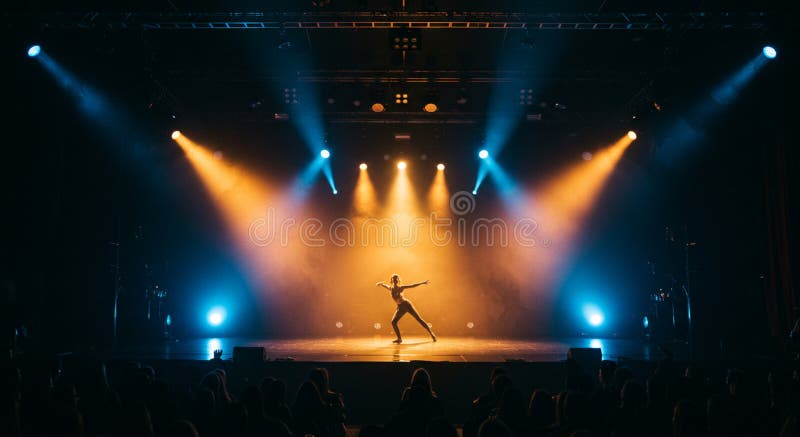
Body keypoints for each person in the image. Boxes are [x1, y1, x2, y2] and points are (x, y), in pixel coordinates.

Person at [376, 274, 436, 343]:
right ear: (392, 281)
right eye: (394, 279)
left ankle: (431, 334)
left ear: (398, 281)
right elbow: (386, 286)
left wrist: (422, 283)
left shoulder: (401, 287)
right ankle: (399, 339)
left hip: (406, 304)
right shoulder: (391, 288)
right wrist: (381, 284)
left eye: (396, 279)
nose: (395, 281)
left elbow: (412, 285)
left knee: (419, 319)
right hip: (400, 307)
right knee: (393, 322)